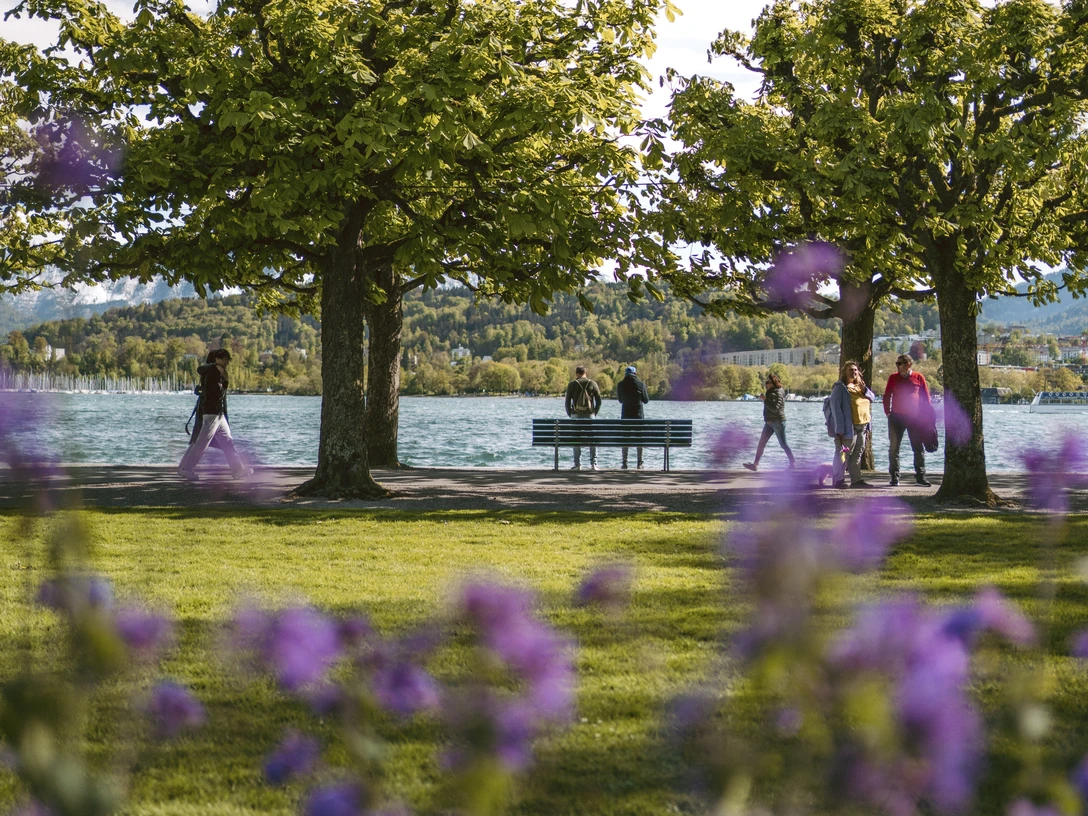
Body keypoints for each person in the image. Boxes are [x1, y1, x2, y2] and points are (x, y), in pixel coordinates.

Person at [177, 349, 253, 481]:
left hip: (218, 414)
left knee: (228, 442)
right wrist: (226, 380)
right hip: (212, 414)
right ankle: (186, 469)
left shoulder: (215, 372)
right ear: (217, 359)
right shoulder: (214, 373)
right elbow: (218, 394)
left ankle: (237, 470)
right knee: (201, 443)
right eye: (224, 359)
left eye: (228, 359)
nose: (227, 362)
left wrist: (224, 378)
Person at [883, 353, 933, 487]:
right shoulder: (893, 378)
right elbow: (887, 395)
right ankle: (894, 477)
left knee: (918, 448)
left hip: (915, 419)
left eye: (899, 363)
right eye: (897, 364)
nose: (897, 366)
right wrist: (888, 412)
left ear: (908, 364)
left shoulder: (919, 377)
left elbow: (926, 398)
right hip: (896, 418)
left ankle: (920, 477)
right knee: (894, 449)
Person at [829, 360, 877, 488]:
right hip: (848, 428)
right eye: (850, 370)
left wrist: (864, 389)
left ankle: (856, 480)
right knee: (843, 453)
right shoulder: (840, 388)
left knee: (857, 454)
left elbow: (873, 398)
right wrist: (839, 429)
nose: (854, 372)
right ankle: (838, 479)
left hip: (862, 426)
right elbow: (835, 408)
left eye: (855, 370)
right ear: (844, 372)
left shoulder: (859, 386)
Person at [743, 372, 796, 471]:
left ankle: (793, 463)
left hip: (778, 422)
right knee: (761, 443)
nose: (765, 385)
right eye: (765, 383)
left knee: (783, 444)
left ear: (773, 383)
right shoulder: (771, 391)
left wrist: (765, 400)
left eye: (767, 383)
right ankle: (755, 464)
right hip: (769, 422)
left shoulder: (778, 392)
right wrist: (766, 399)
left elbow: (775, 408)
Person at [564, 365, 602, 471]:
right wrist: (594, 413)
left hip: (576, 415)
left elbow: (567, 402)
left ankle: (577, 464)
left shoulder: (572, 384)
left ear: (576, 374)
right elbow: (599, 401)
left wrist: (570, 414)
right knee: (592, 439)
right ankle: (593, 464)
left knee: (576, 439)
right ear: (586, 373)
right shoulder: (593, 383)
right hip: (589, 415)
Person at [616, 364, 649, 469]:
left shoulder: (620, 385)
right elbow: (646, 400)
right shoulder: (640, 384)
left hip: (626, 417)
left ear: (625, 374)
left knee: (625, 438)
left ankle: (624, 463)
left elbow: (620, 400)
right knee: (639, 439)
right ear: (635, 374)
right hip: (638, 417)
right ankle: (640, 463)